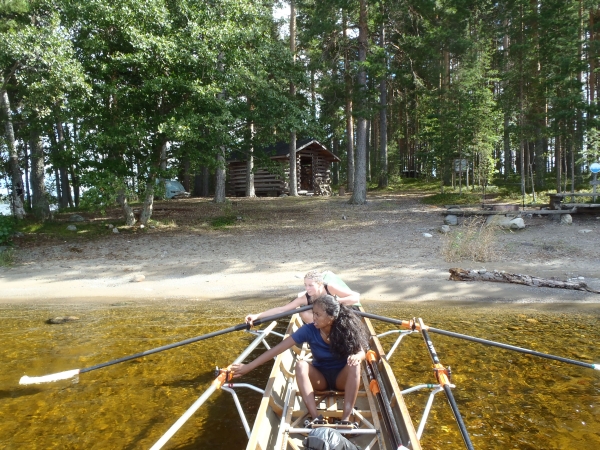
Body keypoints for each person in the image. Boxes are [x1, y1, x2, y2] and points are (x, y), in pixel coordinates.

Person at [232, 295, 369, 425]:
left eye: (318, 315)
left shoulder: (346, 328)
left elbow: (361, 352)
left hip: (342, 381)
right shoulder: (309, 330)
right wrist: (248, 367)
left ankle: (346, 418)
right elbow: (277, 349)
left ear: (331, 317)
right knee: (301, 365)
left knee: (355, 365)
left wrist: (357, 356)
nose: (313, 318)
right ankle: (315, 418)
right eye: (313, 313)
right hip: (319, 380)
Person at [245, 270, 360, 325]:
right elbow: (281, 310)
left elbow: (355, 297)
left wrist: (336, 301)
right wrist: (257, 316)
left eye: (311, 285)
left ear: (320, 284)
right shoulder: (305, 298)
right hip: (323, 325)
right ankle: (321, 337)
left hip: (336, 319)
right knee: (302, 312)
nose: (307, 289)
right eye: (305, 285)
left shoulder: (330, 287)